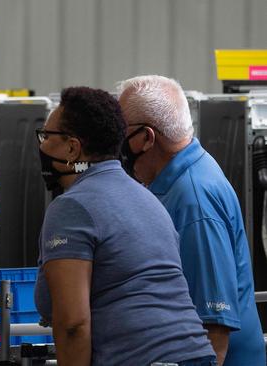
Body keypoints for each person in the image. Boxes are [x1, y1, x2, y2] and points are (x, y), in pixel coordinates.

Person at [33, 87, 216, 365]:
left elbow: (73, 324)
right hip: (195, 354)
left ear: (72, 148)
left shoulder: (71, 207)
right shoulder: (147, 198)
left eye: (47, 136)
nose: (42, 146)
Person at [118, 75, 265, 366]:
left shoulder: (193, 200)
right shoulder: (180, 180)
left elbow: (214, 331)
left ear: (147, 138)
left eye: (120, 134)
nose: (116, 146)